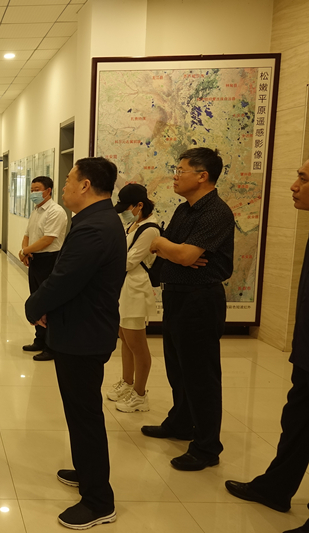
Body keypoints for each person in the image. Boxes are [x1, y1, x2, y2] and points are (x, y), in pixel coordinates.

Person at [25, 157, 126, 530]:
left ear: (85, 185)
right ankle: (86, 471)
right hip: (79, 328)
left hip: (84, 335)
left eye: (69, 179)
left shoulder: (94, 227)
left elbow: (64, 279)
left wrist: (34, 307)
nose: (64, 185)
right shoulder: (94, 219)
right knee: (79, 412)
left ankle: (99, 500)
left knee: (85, 417)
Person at [224, 159, 309, 533]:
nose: (293, 185)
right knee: (297, 422)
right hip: (305, 353)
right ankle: (275, 488)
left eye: (303, 178)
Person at [143, 147, 234, 472]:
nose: (175, 176)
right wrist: (171, 249)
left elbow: (180, 254)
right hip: (177, 296)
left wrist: (170, 249)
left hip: (201, 300)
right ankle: (181, 423)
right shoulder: (185, 210)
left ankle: (207, 447)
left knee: (201, 375)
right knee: (178, 368)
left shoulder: (216, 212)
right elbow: (166, 247)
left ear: (202, 176)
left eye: (181, 170)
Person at [107, 183, 159, 413]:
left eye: (127, 208)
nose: (125, 213)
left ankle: (140, 394)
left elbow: (129, 261)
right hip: (124, 288)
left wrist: (106, 261)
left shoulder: (150, 229)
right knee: (125, 338)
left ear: (139, 205)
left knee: (137, 343)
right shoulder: (133, 224)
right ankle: (127, 382)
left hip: (136, 291)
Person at [19, 175, 67, 362]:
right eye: (31, 190)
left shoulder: (56, 211)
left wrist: (25, 251)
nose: (33, 193)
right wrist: (26, 251)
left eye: (37, 189)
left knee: (49, 303)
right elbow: (27, 234)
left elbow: (48, 239)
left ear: (48, 191)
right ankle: (39, 339)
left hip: (50, 259)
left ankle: (51, 346)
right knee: (36, 299)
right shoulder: (36, 210)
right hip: (35, 259)